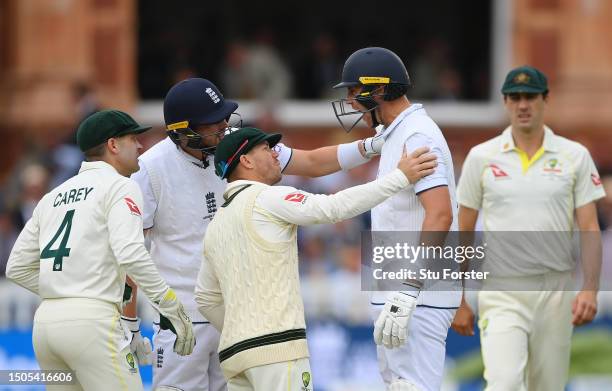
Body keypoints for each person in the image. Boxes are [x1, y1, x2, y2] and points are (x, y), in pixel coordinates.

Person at [127, 77, 437, 391]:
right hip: (186, 317)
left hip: (235, 321)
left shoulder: (236, 143)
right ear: (184, 130)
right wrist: (131, 322)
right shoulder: (151, 169)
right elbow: (133, 253)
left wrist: (372, 145)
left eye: (223, 117)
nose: (223, 125)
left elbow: (313, 161)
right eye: (212, 123)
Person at [194, 126, 434, 390]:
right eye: (265, 149)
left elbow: (205, 298)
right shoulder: (266, 197)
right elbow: (332, 208)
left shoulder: (215, 224)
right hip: (277, 348)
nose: (275, 154)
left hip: (235, 354)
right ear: (246, 161)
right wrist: (400, 177)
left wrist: (242, 329)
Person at [6, 110, 195, 391]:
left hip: (45, 326)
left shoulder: (53, 196)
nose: (141, 146)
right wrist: (170, 305)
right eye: (133, 139)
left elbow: (16, 267)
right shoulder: (121, 186)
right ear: (113, 145)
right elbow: (130, 253)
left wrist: (68, 289)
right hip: (92, 324)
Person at [451, 65, 605, 390]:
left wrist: (590, 288)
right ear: (506, 101)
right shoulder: (482, 157)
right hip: (501, 289)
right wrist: (457, 297)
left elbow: (589, 227)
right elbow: (463, 230)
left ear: (545, 99)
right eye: (516, 97)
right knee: (504, 383)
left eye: (531, 97)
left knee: (547, 386)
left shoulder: (574, 156)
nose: (523, 105)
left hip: (555, 291)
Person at [331, 47, 461, 391]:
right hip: (403, 288)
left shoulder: (416, 135)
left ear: (379, 90)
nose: (350, 101)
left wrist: (409, 289)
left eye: (354, 90)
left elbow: (441, 212)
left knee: (411, 386)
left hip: (418, 291)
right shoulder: (394, 133)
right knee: (399, 385)